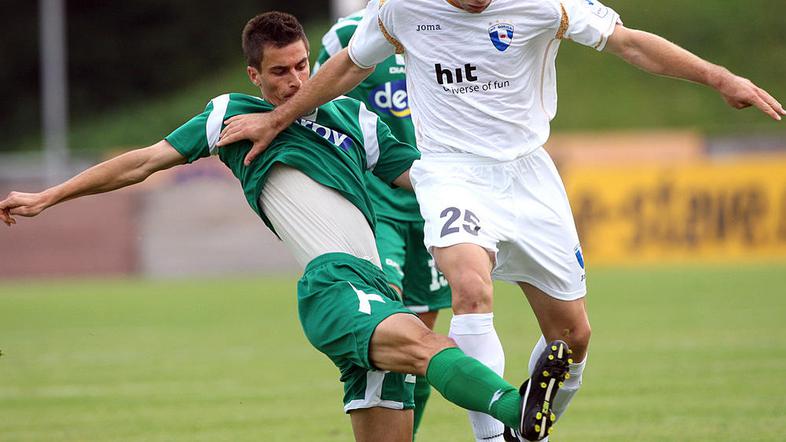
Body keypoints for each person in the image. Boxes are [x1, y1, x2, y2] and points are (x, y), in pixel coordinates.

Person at [215, 1, 785, 440]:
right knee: (469, 286)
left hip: (529, 175)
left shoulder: (544, 4)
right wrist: (277, 119)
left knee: (573, 335)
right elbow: (345, 67)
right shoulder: (403, 10)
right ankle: (491, 434)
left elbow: (630, 43)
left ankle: (523, 429)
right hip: (450, 169)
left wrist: (719, 77)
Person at [0, 11, 572, 442]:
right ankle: (513, 413)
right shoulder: (231, 116)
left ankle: (512, 412)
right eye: (279, 72)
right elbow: (143, 161)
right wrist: (48, 196)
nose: (296, 81)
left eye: (303, 66)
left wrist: (504, 200)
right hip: (334, 286)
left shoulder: (355, 119)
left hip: (379, 289)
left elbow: (429, 181)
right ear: (254, 73)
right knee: (428, 345)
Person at [314, 11, 453, 439]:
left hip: (433, 204)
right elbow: (316, 105)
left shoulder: (445, 22)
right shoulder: (346, 35)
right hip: (379, 205)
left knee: (423, 345)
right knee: (388, 314)